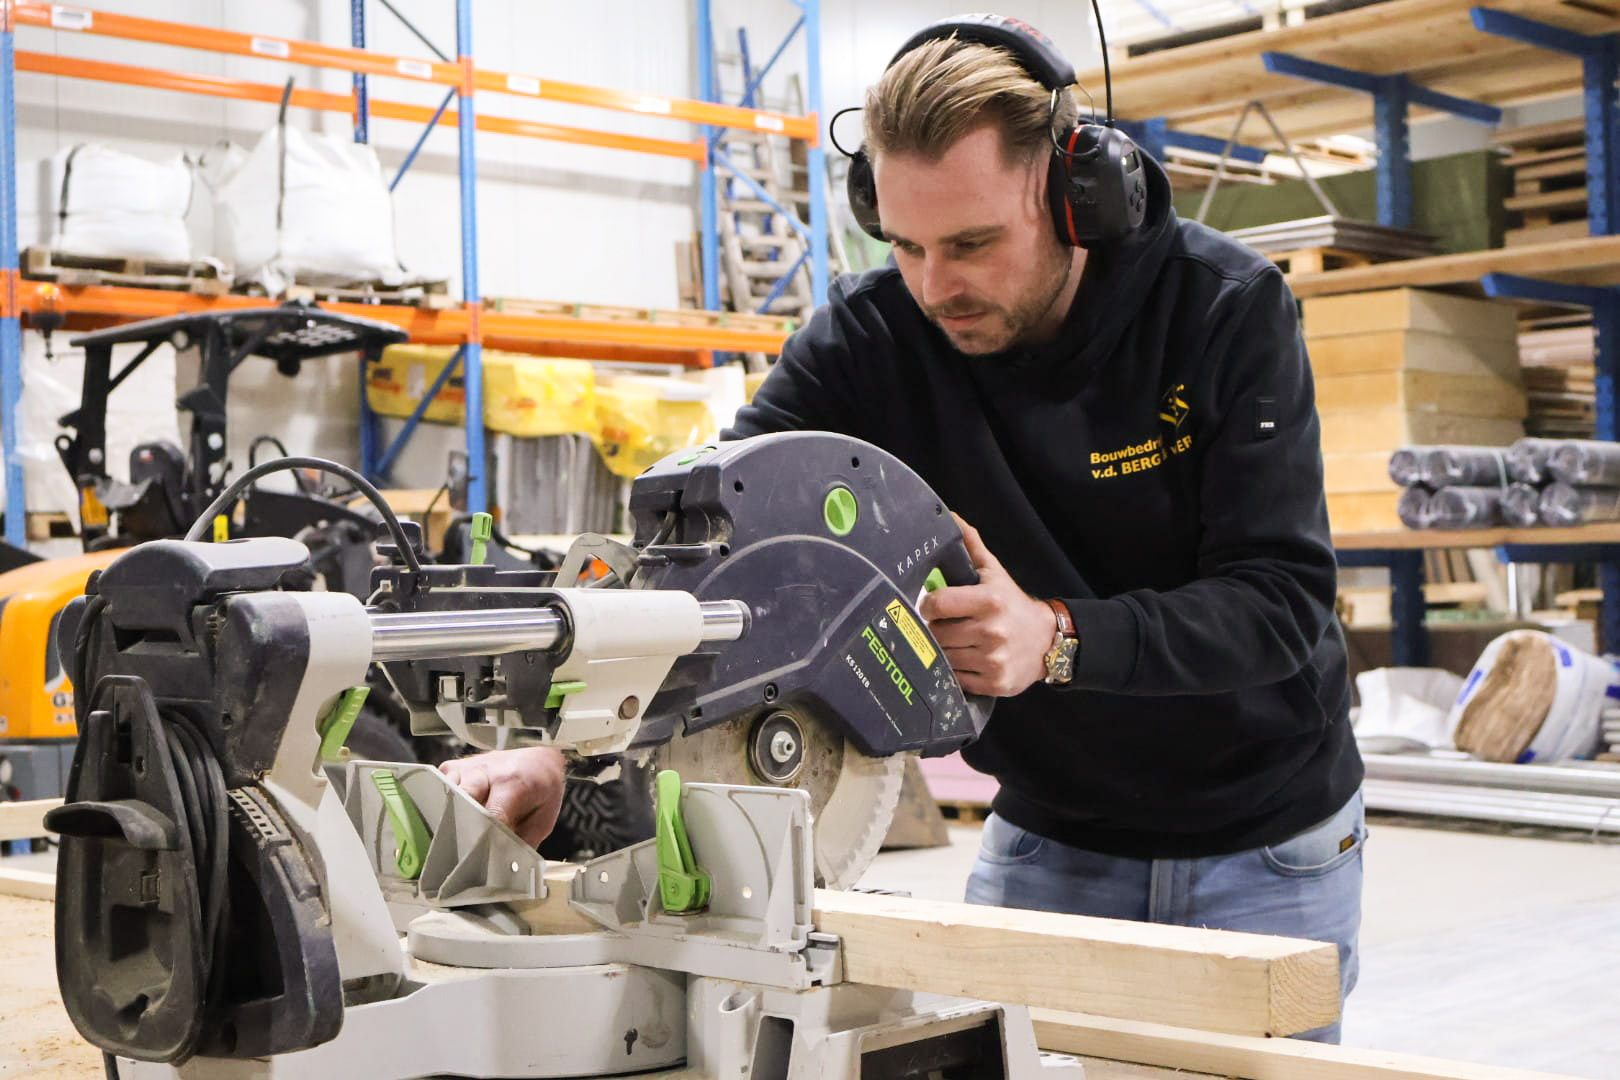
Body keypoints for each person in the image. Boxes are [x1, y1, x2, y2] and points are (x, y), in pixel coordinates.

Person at [444, 13, 1364, 1043]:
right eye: (907, 245)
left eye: (972, 244)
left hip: (1264, 842)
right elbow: (703, 546)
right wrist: (567, 747)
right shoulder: (873, 339)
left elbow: (1280, 603)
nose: (935, 287)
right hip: (1054, 834)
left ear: (1076, 196)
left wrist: (1057, 637)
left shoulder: (1224, 310)